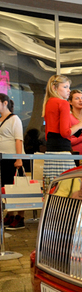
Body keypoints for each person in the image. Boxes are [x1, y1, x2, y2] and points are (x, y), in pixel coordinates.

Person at [42, 75, 82, 186]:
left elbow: (48, 133)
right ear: (54, 88)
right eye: (65, 87)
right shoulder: (63, 103)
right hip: (62, 151)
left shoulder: (48, 103)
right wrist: (80, 125)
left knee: (52, 187)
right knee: (71, 187)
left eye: (68, 87)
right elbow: (65, 132)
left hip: (50, 150)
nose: (69, 90)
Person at [0, 93, 25, 229]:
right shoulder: (1, 119)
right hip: (3, 158)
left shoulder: (14, 119)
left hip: (12, 158)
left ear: (5, 103)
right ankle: (10, 213)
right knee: (6, 187)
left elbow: (18, 139)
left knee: (17, 188)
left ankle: (20, 217)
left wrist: (18, 158)